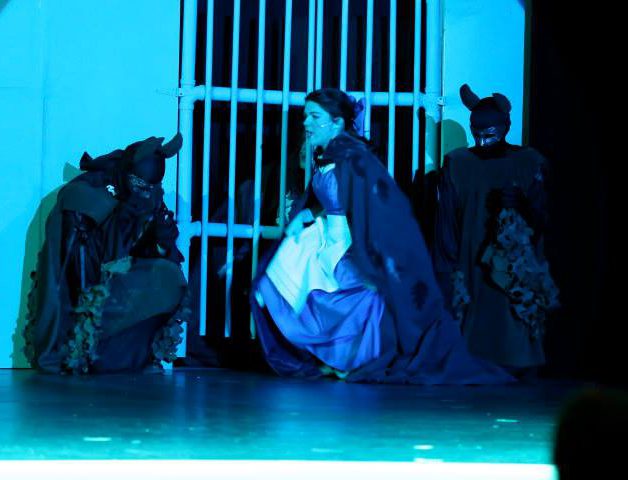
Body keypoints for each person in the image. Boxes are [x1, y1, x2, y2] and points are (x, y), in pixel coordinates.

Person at [250, 88, 512, 384]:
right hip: (326, 239)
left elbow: (381, 207)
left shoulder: (355, 158)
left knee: (361, 297)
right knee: (288, 280)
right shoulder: (326, 155)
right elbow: (329, 199)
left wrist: (377, 252)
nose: (306, 123)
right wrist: (306, 214)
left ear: (336, 122)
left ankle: (359, 359)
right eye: (305, 116)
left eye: (314, 116)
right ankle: (333, 356)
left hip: (351, 242)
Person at [24, 134, 189, 374]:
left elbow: (149, 255)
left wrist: (161, 241)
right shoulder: (86, 197)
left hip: (117, 288)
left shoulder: (147, 196)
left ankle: (130, 355)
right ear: (127, 174)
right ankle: (84, 354)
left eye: (153, 187)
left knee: (169, 276)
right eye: (140, 185)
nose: (147, 193)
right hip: (84, 295)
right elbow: (74, 274)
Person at [433, 84, 559, 376]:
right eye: (476, 133)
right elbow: (447, 222)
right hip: (470, 259)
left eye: (489, 133)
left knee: (511, 328)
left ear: (505, 127)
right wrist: (447, 270)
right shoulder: (458, 163)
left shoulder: (529, 162)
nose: (482, 141)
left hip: (514, 263)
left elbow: (547, 218)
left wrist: (523, 205)